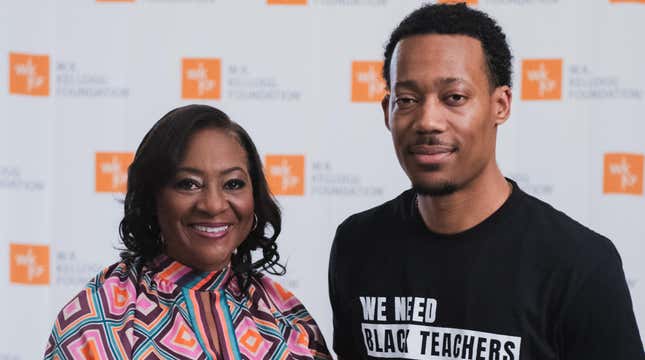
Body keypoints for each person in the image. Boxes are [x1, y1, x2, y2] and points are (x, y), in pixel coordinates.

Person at [328, 3, 643, 360]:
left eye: (455, 98)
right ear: (387, 112)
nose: (428, 120)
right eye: (408, 99)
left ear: (501, 105)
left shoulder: (580, 265)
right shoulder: (356, 245)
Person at [45, 105, 331, 359]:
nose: (214, 205)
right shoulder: (99, 319)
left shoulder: (284, 313)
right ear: (152, 197)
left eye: (233, 184)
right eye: (189, 184)